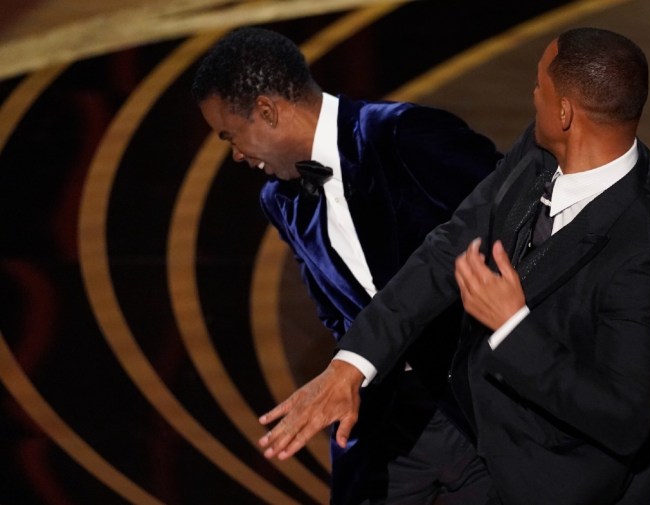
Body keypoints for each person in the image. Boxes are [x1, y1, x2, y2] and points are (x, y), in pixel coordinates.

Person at [257, 27, 650, 504]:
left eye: (540, 85)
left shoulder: (643, 252)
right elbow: (447, 246)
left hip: (570, 486)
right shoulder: (540, 152)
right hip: (490, 448)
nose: (532, 93)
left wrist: (512, 326)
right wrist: (352, 365)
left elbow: (622, 417)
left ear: (565, 112)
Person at [192, 27, 501, 505]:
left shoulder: (403, 133)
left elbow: (520, 222)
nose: (235, 154)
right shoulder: (280, 200)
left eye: (231, 135)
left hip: (484, 413)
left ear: (268, 112)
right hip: (390, 431)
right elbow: (336, 314)